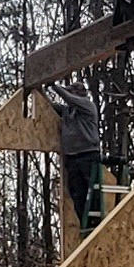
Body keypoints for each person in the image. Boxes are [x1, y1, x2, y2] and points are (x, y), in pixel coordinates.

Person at [52, 74, 106, 236]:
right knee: (76, 193)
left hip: (88, 154)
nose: (70, 94)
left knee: (92, 191)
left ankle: (96, 223)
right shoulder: (68, 111)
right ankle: (85, 224)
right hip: (72, 157)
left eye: (72, 92)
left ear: (81, 93)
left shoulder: (87, 106)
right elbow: (51, 106)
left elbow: (68, 98)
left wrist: (53, 85)